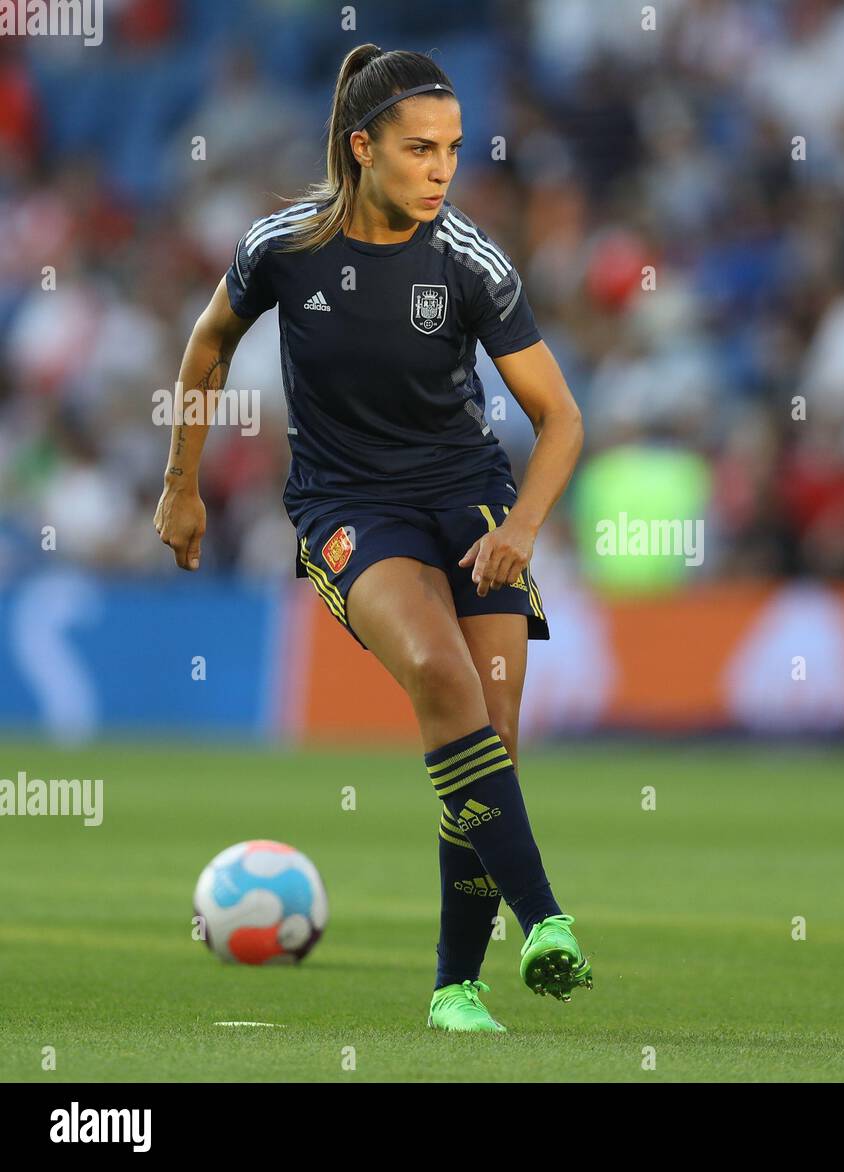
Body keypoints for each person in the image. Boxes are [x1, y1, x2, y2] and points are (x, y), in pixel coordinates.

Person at [153, 45, 589, 1032]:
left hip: (469, 498)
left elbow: (561, 417)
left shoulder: (469, 260)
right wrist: (181, 484)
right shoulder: (284, 246)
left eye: (453, 150)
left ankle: (453, 986)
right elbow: (207, 340)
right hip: (347, 506)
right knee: (442, 675)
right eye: (420, 149)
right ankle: (546, 918)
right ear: (362, 149)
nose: (443, 170)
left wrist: (520, 528)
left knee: (490, 742)